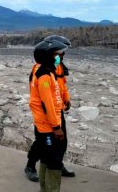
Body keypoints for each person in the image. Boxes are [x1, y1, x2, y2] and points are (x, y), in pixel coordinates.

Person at [24, 36, 75, 182]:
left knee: (61, 141)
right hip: (46, 114)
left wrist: (66, 98)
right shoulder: (41, 71)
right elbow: (44, 97)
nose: (61, 56)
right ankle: (31, 165)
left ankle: (58, 163)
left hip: (56, 110)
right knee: (43, 143)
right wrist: (54, 123)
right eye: (58, 53)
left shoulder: (57, 67)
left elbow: (61, 85)